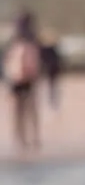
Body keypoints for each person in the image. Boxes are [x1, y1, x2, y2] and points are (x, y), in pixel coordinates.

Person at [5, 12, 42, 151]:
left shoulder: (27, 39)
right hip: (19, 77)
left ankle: (28, 137)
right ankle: (23, 137)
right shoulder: (18, 39)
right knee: (23, 110)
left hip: (24, 77)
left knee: (26, 109)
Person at [38, 31, 63, 111]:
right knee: (50, 87)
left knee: (51, 87)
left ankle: (51, 101)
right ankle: (50, 101)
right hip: (50, 70)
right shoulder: (51, 49)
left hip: (50, 70)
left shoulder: (47, 49)